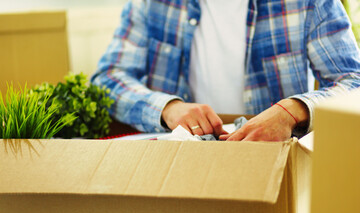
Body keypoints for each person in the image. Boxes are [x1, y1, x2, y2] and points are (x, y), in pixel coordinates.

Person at [91, 0, 360, 141]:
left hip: (275, 167)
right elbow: (108, 79)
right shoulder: (151, 3)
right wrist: (167, 108)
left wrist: (292, 111)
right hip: (178, 165)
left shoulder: (309, 2)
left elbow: (353, 82)